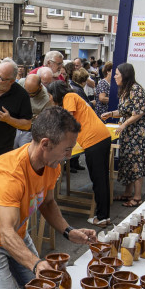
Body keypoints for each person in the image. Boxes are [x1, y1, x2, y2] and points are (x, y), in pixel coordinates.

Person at [0, 107, 97, 289]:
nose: (69, 155)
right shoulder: (9, 173)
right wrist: (36, 264)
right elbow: (5, 234)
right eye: (67, 149)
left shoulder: (51, 163)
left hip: (16, 234)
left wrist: (68, 231)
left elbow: (48, 202)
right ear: (45, 144)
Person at [45, 80, 112, 227]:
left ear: (55, 93)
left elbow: (68, 121)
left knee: (99, 179)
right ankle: (104, 216)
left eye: (50, 95)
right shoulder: (74, 96)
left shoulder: (69, 96)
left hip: (94, 140)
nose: (49, 98)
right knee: (102, 178)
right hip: (101, 137)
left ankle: (101, 217)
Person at [101, 63, 145, 207]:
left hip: (138, 132)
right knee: (127, 161)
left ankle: (137, 197)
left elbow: (139, 112)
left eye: (117, 73)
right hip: (129, 132)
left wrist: (123, 124)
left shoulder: (136, 89)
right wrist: (110, 114)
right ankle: (127, 193)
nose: (115, 76)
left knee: (136, 162)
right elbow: (123, 111)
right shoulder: (124, 90)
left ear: (125, 75)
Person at [14, 70, 51, 148]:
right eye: (25, 92)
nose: (27, 96)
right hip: (15, 124)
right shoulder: (21, 82)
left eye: (31, 94)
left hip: (29, 130)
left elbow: (44, 124)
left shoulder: (46, 100)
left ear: (40, 87)